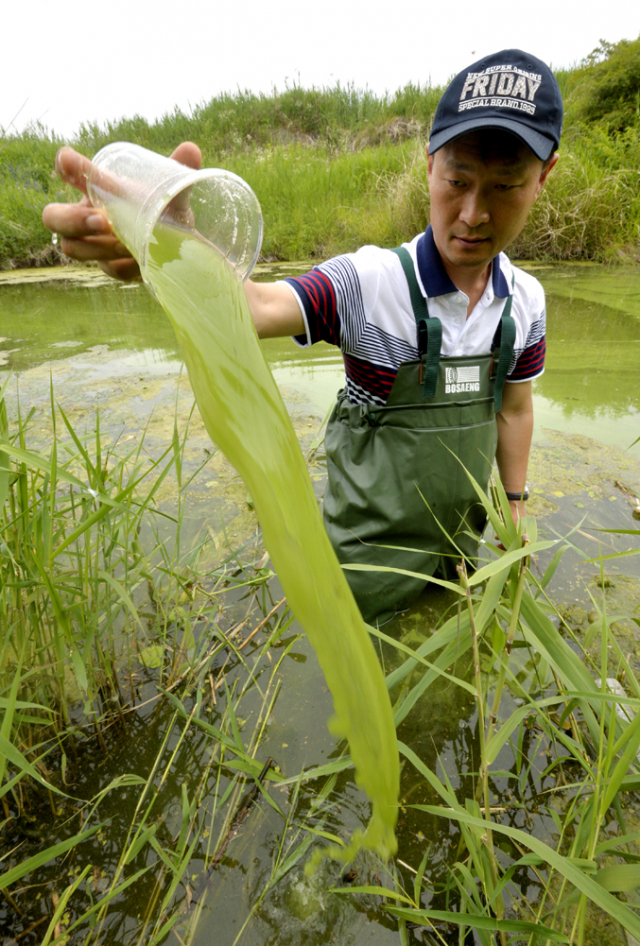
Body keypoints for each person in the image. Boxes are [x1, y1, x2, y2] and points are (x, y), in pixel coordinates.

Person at [43, 48, 562, 624]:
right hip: (364, 572)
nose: (472, 214)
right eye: (457, 181)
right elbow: (259, 308)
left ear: (543, 178)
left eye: (505, 187)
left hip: (460, 558)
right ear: (430, 162)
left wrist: (514, 508)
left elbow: (513, 410)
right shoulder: (370, 283)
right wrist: (170, 248)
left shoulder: (526, 302)